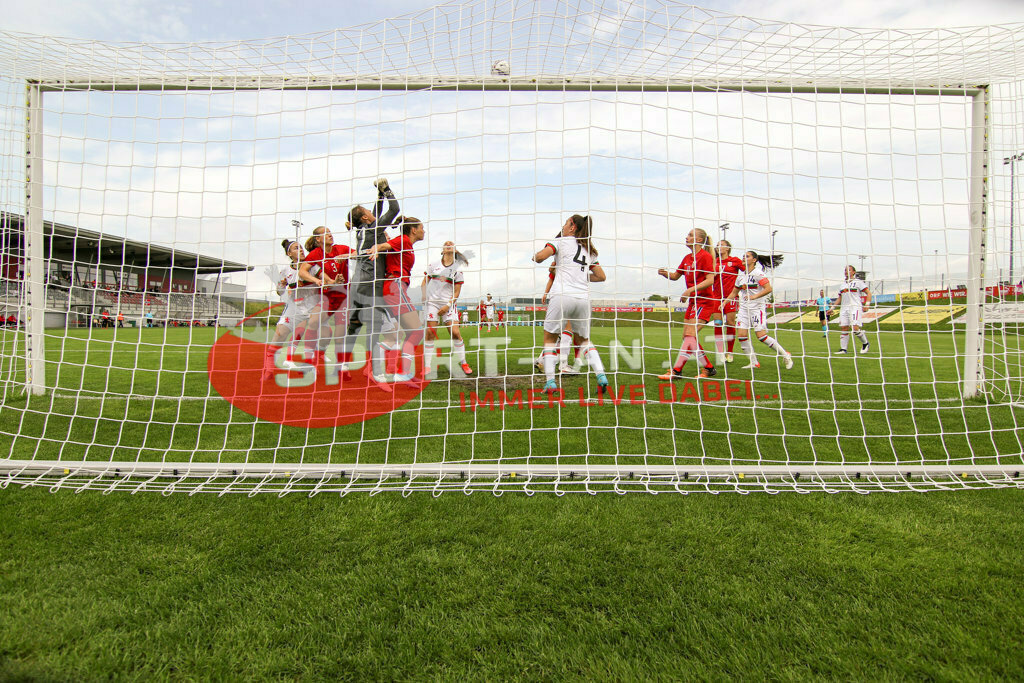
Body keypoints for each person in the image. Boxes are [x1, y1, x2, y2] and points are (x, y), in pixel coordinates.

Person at [532, 214, 609, 396]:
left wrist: (535, 256)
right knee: (584, 341)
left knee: (550, 339)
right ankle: (601, 375)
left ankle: (551, 382)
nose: (564, 226)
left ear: (572, 227)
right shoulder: (588, 250)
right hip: (582, 299)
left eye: (566, 223)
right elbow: (601, 276)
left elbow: (541, 257)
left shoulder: (561, 242)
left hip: (562, 295)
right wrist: (581, 277)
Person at [342, 178, 401, 375]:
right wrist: (387, 190)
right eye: (367, 211)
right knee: (379, 326)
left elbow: (376, 212)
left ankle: (343, 364)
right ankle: (376, 370)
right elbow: (394, 210)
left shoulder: (364, 230)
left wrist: (379, 194)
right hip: (370, 282)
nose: (371, 211)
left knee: (355, 324)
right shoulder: (373, 229)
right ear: (365, 218)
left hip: (358, 281)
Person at [368, 216, 428, 385]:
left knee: (408, 333)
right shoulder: (402, 240)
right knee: (417, 331)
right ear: (414, 230)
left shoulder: (407, 244)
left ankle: (403, 373)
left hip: (397, 288)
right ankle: (398, 372)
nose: (424, 231)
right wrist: (376, 248)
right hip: (395, 287)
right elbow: (385, 245)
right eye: (422, 227)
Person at [656, 228, 718, 380]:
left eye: (690, 235)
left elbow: (710, 280)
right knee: (687, 337)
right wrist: (665, 274)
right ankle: (708, 368)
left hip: (705, 301)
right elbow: (676, 276)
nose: (687, 237)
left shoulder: (705, 257)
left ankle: (676, 371)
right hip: (693, 302)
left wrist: (689, 290)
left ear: (698, 240)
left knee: (690, 336)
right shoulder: (687, 258)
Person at [725, 250, 793, 370]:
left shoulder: (758, 274)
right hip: (744, 309)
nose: (744, 258)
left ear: (754, 260)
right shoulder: (741, 275)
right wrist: (725, 302)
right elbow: (734, 291)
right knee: (741, 336)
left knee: (761, 336)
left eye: (747, 256)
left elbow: (768, 288)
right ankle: (754, 362)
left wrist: (754, 297)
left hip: (757, 308)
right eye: (743, 256)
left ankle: (785, 354)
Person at [297, 226, 353, 366]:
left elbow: (357, 253)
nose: (330, 235)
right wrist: (317, 281)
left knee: (340, 332)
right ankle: (309, 359)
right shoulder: (316, 254)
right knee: (313, 322)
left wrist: (347, 256)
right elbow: (302, 271)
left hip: (344, 296)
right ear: (318, 238)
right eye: (326, 233)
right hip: (327, 296)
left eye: (330, 232)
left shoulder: (341, 249)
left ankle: (340, 364)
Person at [421, 241, 473, 376]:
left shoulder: (457, 270)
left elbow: (456, 292)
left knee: (455, 333)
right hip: (432, 303)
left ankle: (463, 362)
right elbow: (424, 281)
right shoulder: (433, 265)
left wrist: (447, 306)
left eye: (451, 243)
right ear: (442, 251)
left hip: (448, 304)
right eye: (445, 243)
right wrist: (423, 296)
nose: (448, 243)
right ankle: (427, 366)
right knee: (430, 333)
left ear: (455, 251)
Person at [262, 239, 307, 381]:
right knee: (280, 334)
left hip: (311, 307)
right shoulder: (286, 271)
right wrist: (281, 285)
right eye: (296, 248)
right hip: (294, 307)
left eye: (300, 247)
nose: (300, 249)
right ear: (289, 253)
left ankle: (308, 365)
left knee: (307, 334)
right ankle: (269, 369)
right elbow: (279, 292)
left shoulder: (311, 266)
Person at [712, 239, 744, 363]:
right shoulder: (714, 262)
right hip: (716, 297)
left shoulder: (734, 261)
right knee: (718, 323)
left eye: (721, 245)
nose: (718, 247)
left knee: (730, 323)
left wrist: (744, 284)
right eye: (717, 245)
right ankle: (720, 352)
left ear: (727, 248)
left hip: (731, 297)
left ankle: (729, 352)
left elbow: (747, 270)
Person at [836, 265, 871, 354]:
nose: (846, 271)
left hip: (855, 307)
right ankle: (843, 349)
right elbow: (839, 298)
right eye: (845, 270)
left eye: (849, 270)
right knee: (844, 328)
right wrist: (832, 308)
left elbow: (868, 293)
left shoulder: (858, 282)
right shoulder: (842, 285)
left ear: (854, 272)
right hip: (844, 308)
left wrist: (867, 304)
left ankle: (865, 343)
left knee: (855, 328)